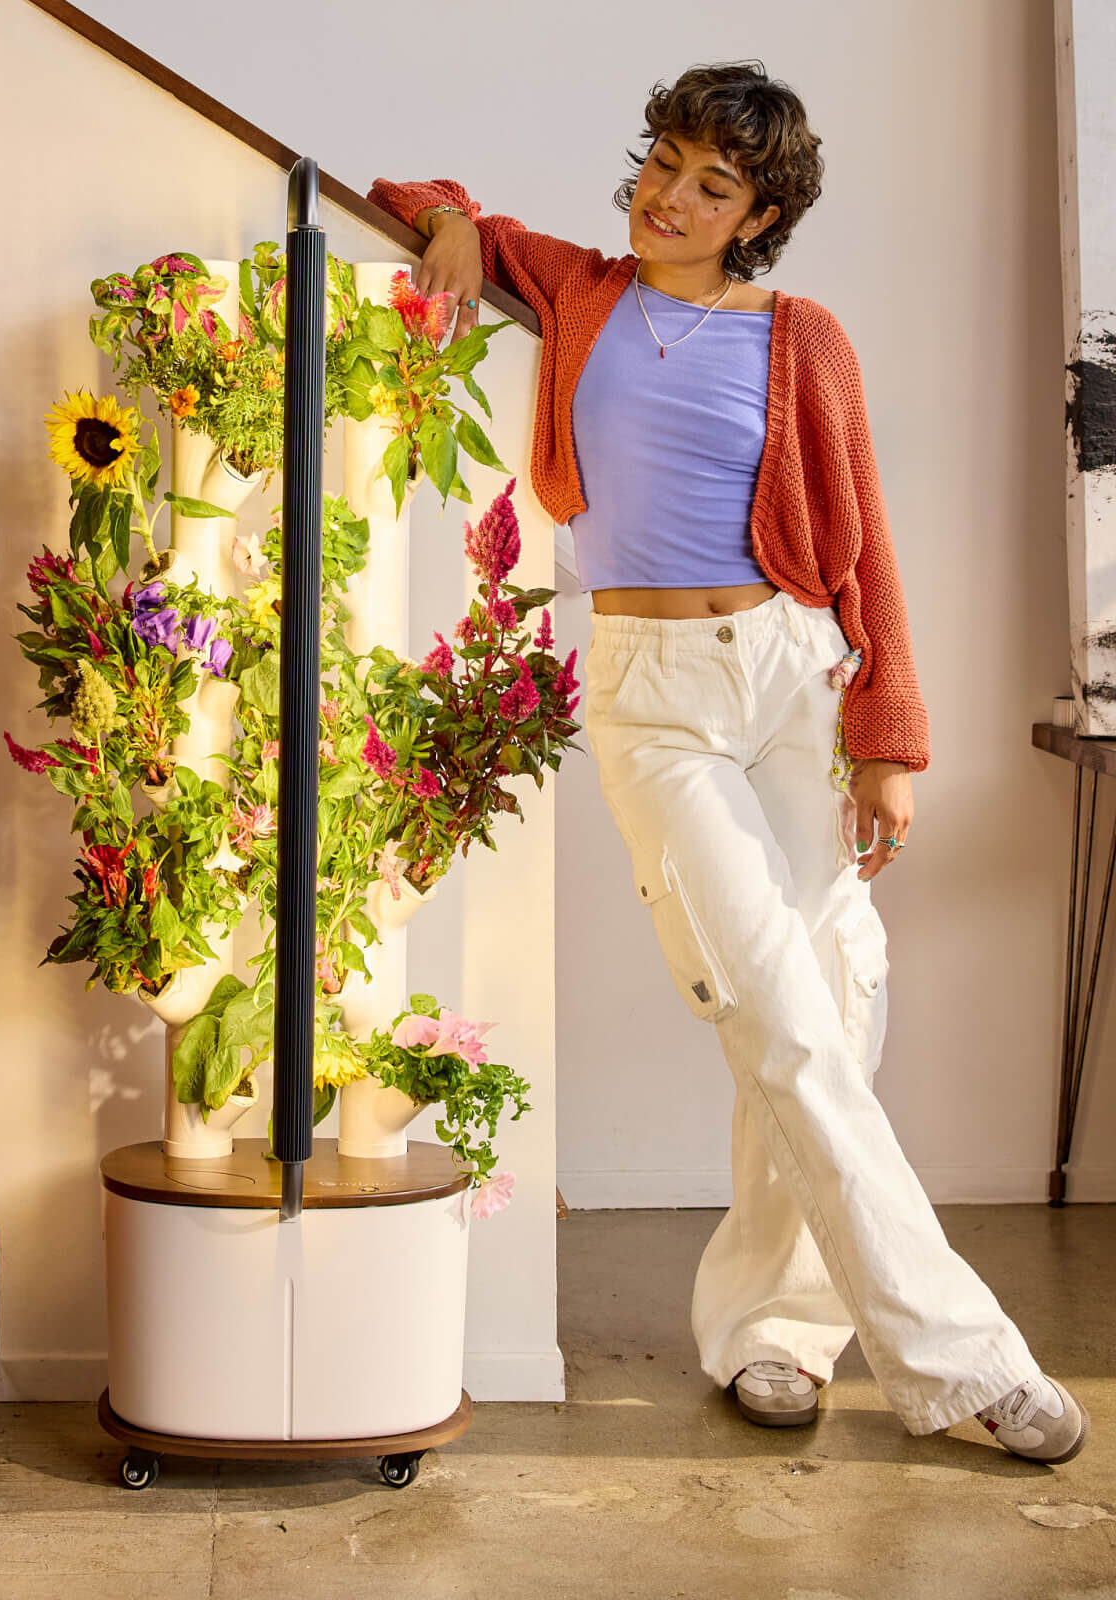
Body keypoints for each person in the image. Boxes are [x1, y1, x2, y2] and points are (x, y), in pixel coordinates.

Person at [366, 60, 1090, 1465]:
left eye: (713, 185)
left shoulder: (803, 337)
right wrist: (451, 221)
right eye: (663, 163)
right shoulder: (580, 290)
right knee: (780, 1016)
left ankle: (775, 1328)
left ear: (759, 215)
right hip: (656, 696)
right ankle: (962, 1357)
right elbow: (418, 197)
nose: (670, 199)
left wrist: (889, 742)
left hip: (793, 674)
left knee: (825, 1003)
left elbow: (863, 543)